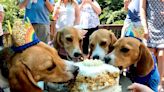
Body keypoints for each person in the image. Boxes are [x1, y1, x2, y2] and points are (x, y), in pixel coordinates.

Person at [140, 0, 164, 92]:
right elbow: (142, 8)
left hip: (163, 26)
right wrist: (144, 27)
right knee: (151, 55)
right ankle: (150, 82)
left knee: (161, 55)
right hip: (150, 26)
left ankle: (159, 84)